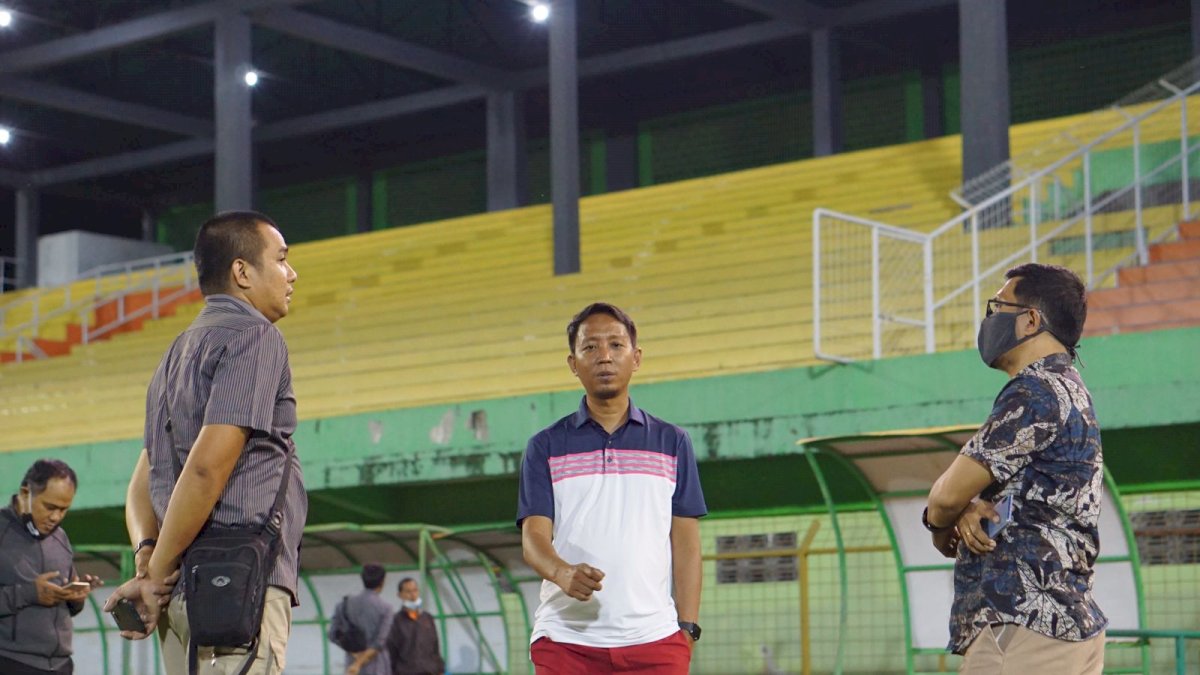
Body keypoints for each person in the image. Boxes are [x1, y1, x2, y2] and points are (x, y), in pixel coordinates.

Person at [103, 211, 307, 675]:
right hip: (234, 586)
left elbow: (143, 480)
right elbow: (205, 468)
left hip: (179, 595)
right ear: (242, 272)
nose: (291, 274)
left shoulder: (174, 354)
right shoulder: (256, 336)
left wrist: (148, 561)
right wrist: (153, 574)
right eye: (281, 259)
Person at [924, 263, 1107, 673]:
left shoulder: (1033, 392)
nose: (990, 320)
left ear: (1029, 320)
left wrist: (942, 524)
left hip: (1024, 624)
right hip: (1064, 619)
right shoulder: (1070, 389)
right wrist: (972, 507)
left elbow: (944, 497)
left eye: (998, 307)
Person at [517, 302, 707, 674]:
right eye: (590, 347)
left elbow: (686, 544)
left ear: (636, 358)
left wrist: (687, 628)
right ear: (573, 363)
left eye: (616, 346)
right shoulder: (545, 446)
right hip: (565, 644)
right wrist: (562, 573)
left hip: (655, 643)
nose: (604, 356)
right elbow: (533, 540)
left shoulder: (673, 442)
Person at [0, 459, 102, 675]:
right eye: (50, 507)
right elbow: (32, 595)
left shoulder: (60, 538)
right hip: (11, 663)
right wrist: (28, 593)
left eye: (64, 510)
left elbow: (65, 607)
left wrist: (75, 598)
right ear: (25, 493)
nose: (56, 517)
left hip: (61, 666)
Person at [384, 578, 444, 675]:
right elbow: (391, 651)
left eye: (415, 590)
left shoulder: (427, 618)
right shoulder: (395, 621)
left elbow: (435, 647)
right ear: (400, 595)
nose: (413, 595)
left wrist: (440, 669)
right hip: (406, 672)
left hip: (429, 671)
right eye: (408, 592)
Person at [342, 564, 394, 675]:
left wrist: (355, 655)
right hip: (377, 666)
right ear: (382, 582)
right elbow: (379, 643)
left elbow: (334, 634)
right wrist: (359, 664)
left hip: (351, 666)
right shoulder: (386, 608)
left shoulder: (345, 604)